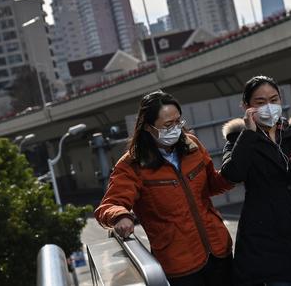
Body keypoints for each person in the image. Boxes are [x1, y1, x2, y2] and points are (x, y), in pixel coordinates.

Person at [95, 90, 234, 286]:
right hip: (179, 264)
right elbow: (109, 204)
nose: (176, 129)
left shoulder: (192, 146)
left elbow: (212, 184)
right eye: (168, 125)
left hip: (219, 250)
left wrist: (234, 171)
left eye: (178, 122)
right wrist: (120, 216)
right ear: (148, 128)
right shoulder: (132, 165)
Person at [220, 76, 291, 286]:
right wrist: (249, 133)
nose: (269, 107)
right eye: (260, 103)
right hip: (266, 246)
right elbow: (232, 174)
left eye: (274, 100)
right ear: (246, 106)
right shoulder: (238, 140)